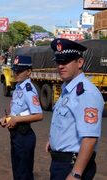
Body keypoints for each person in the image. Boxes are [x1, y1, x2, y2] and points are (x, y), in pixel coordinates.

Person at [46, 38, 104, 180]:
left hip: (72, 165)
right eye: (58, 62)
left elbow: (90, 138)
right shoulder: (68, 89)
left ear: (80, 63)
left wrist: (76, 173)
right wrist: (54, 141)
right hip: (60, 162)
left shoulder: (86, 93)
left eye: (65, 61)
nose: (60, 66)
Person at [0, 55, 43, 180]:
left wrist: (16, 120)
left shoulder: (29, 90)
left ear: (29, 72)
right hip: (16, 134)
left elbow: (39, 115)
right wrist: (6, 119)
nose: (16, 73)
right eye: (15, 70)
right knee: (17, 171)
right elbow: (17, 112)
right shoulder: (19, 87)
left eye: (19, 71)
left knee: (24, 174)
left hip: (24, 135)